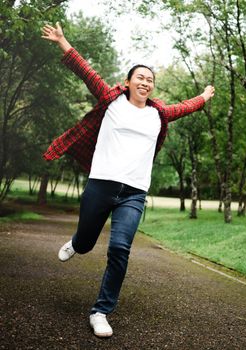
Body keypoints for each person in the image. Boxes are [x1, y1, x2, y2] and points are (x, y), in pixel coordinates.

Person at [41, 22, 215, 338]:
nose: (146, 83)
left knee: (120, 248)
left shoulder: (158, 114)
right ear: (129, 81)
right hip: (101, 183)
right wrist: (62, 41)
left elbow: (185, 107)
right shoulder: (112, 100)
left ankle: (101, 311)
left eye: (150, 80)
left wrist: (203, 96)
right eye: (141, 77)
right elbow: (85, 71)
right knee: (86, 241)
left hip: (134, 192)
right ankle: (77, 243)